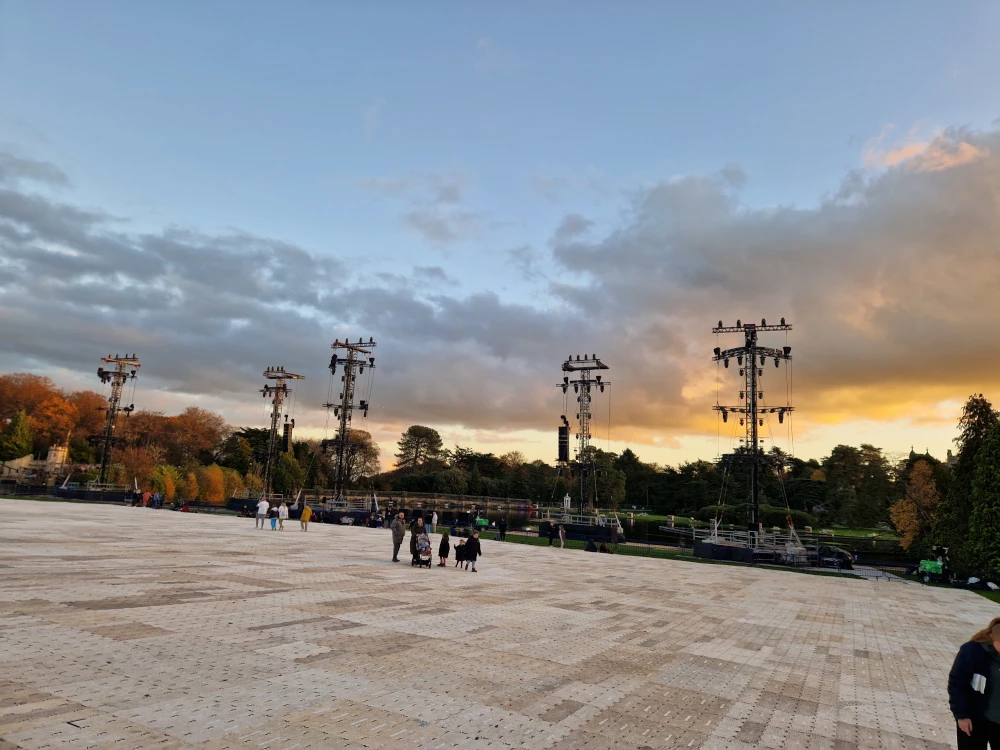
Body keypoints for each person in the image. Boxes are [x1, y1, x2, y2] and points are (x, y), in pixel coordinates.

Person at [949, 616, 1000, 748]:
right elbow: (957, 684)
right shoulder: (972, 651)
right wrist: (962, 715)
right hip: (974, 719)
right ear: (992, 637)